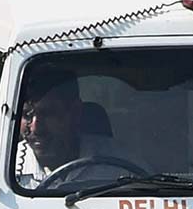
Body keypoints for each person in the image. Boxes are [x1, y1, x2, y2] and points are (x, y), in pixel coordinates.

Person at [15, 69, 150, 189]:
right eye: (26, 115)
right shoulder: (8, 169)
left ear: (75, 112)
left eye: (49, 113)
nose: (36, 128)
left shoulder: (122, 164)